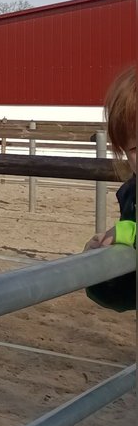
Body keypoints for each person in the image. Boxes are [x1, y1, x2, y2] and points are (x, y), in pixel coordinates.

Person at [83, 65, 136, 312]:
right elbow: (127, 294)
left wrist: (129, 234)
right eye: (134, 149)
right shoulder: (132, 197)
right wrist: (100, 266)